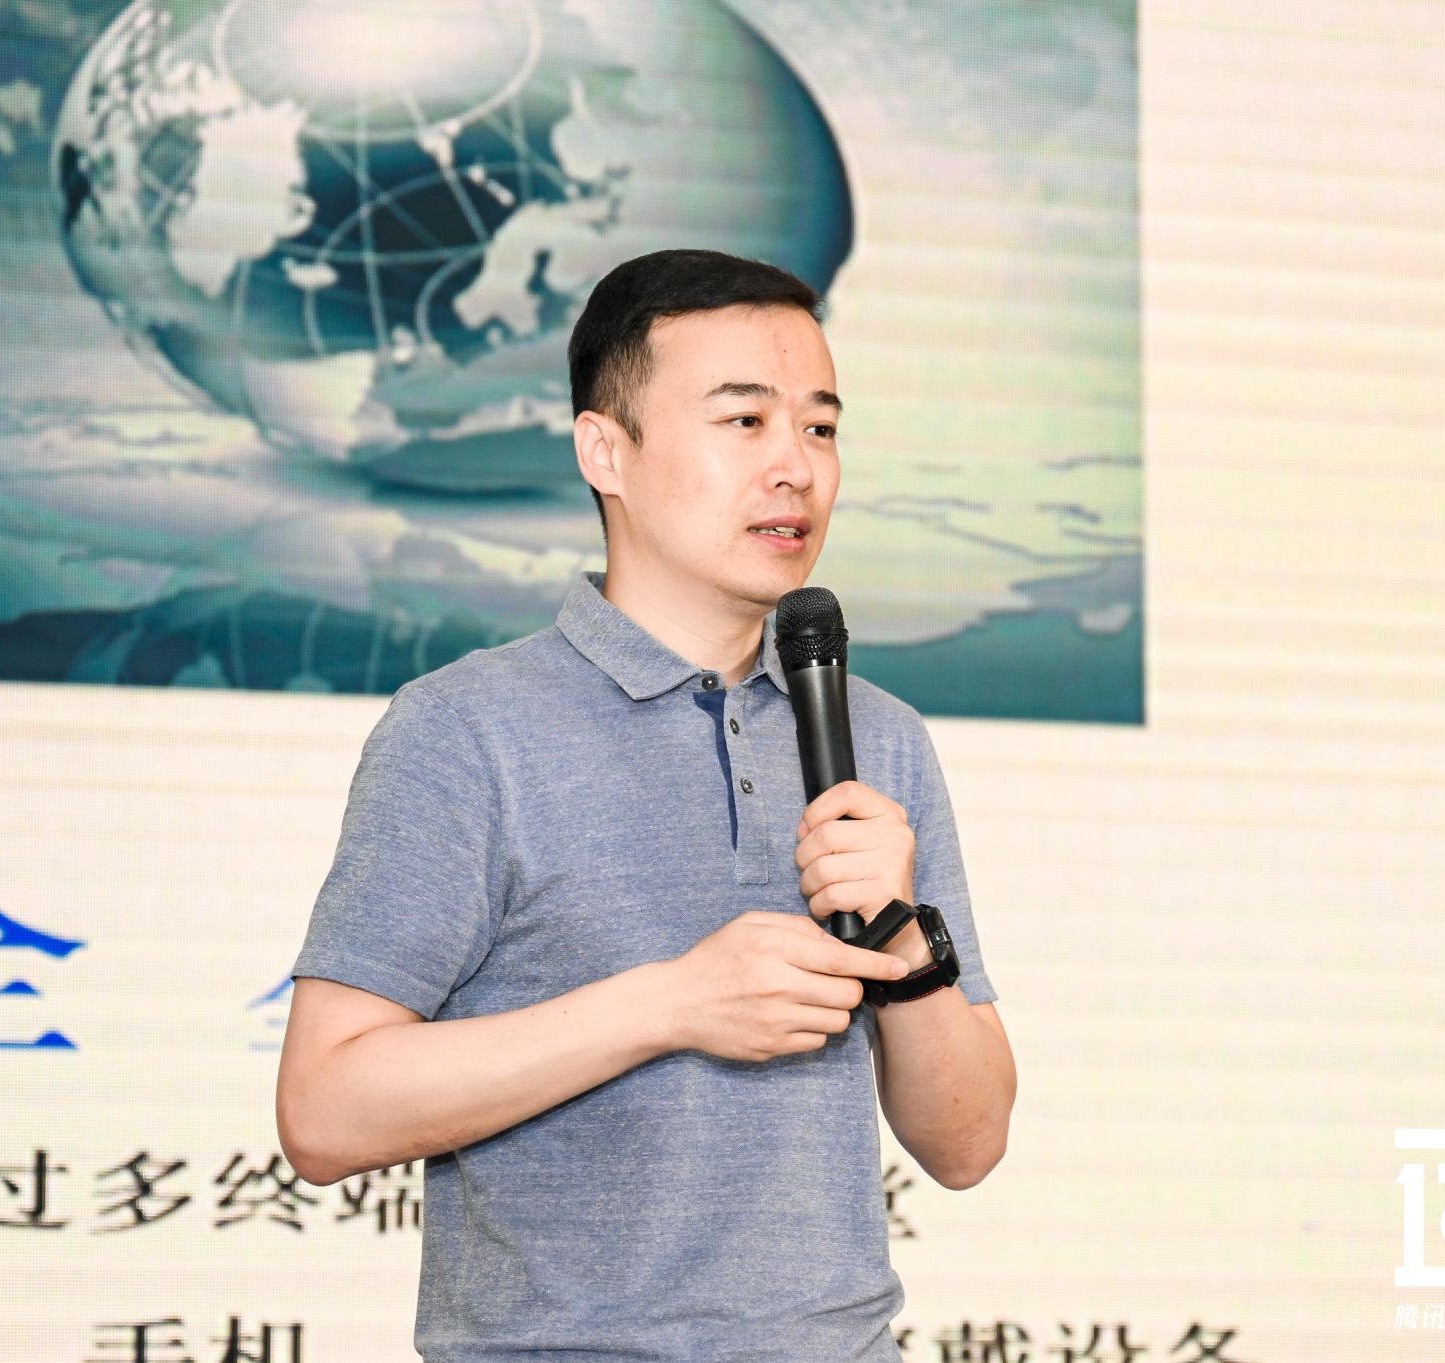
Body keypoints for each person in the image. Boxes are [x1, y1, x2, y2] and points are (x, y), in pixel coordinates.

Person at [276, 248, 1016, 1362]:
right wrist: (673, 1003)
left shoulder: (879, 737)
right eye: (744, 421)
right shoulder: (466, 729)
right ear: (605, 451)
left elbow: (967, 1142)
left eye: (819, 428)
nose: (795, 469)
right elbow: (324, 1111)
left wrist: (908, 948)